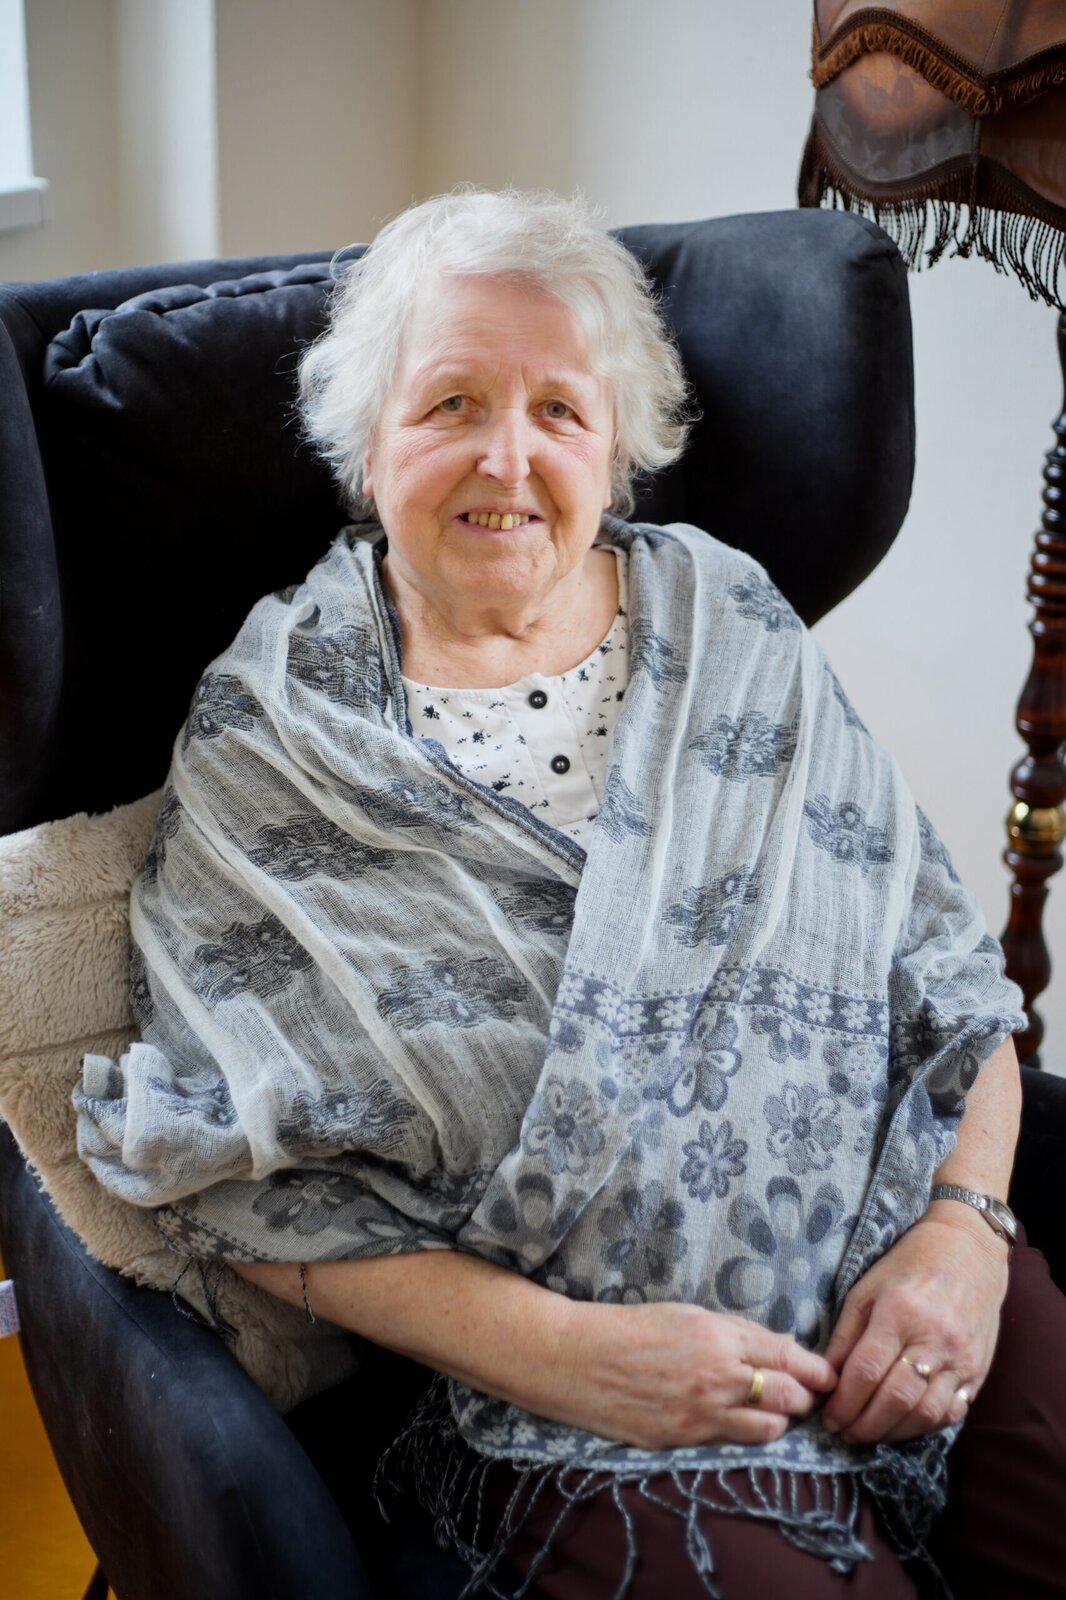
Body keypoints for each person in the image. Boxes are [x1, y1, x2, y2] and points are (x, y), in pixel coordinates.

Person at [73, 189, 1064, 1600]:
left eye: (559, 411)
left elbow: (946, 976)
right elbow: (230, 1167)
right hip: (581, 1405)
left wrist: (964, 1233)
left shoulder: (731, 618)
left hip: (902, 1252)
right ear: (367, 446)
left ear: (616, 451)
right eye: (451, 404)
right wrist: (572, 1358)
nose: (508, 456)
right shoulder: (276, 732)